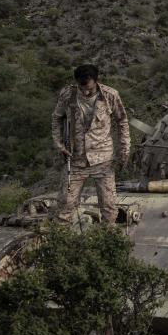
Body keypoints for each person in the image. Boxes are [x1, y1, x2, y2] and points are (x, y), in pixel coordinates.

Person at [51, 64, 130, 224]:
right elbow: (56, 117)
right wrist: (59, 144)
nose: (85, 90)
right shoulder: (68, 95)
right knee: (65, 204)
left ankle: (110, 241)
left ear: (95, 80)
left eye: (87, 85)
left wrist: (124, 149)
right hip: (75, 160)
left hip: (103, 160)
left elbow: (122, 121)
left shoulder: (110, 95)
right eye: (81, 86)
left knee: (109, 206)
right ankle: (60, 241)